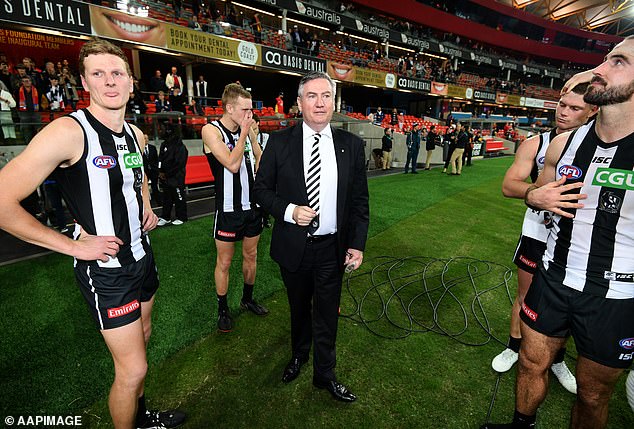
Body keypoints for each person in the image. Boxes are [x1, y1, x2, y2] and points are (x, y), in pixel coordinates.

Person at [0, 38, 185, 429]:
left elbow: (137, 177)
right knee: (132, 370)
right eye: (98, 74)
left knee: (143, 344)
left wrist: (147, 206)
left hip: (142, 256)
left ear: (131, 82)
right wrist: (72, 246)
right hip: (106, 270)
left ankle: (140, 417)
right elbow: (2, 201)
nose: (109, 82)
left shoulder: (135, 135)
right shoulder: (68, 132)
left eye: (117, 73)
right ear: (85, 82)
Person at [483, 37, 634, 429]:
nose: (601, 69)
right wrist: (537, 195)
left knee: (593, 393)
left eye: (618, 62)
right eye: (604, 59)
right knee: (531, 364)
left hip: (615, 295)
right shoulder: (563, 144)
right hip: (553, 275)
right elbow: (536, 195)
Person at [253, 71, 369, 403]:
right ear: (300, 102)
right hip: (294, 247)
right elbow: (260, 190)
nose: (320, 103)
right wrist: (289, 211)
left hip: (333, 249)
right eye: (312, 96)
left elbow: (360, 202)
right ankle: (298, 356)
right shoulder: (278, 142)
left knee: (328, 313)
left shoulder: (352, 145)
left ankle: (325, 374)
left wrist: (357, 244)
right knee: (298, 308)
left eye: (326, 96)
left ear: (335, 101)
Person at [491, 84, 597, 396]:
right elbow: (509, 184)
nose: (564, 112)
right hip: (537, 232)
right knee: (525, 296)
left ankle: (557, 360)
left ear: (593, 111)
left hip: (579, 241)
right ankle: (514, 347)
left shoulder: (606, 147)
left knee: (566, 304)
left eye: (574, 108)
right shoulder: (537, 143)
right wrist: (533, 193)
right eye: (562, 105)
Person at [201, 83, 268, 333]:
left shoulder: (247, 131)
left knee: (251, 256)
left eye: (251, 110)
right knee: (225, 262)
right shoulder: (211, 131)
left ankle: (248, 299)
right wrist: (243, 134)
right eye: (245, 109)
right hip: (228, 210)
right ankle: (223, 309)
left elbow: (261, 163)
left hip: (252, 208)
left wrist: (251, 136)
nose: (249, 115)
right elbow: (231, 164)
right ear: (229, 108)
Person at [157, 124, 188, 227]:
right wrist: (160, 171)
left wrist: (167, 173)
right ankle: (166, 217)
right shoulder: (164, 145)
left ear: (170, 131)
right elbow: (160, 159)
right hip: (166, 178)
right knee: (167, 198)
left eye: (163, 129)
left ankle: (181, 217)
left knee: (179, 197)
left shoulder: (180, 146)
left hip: (176, 177)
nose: (161, 131)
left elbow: (179, 164)